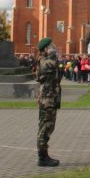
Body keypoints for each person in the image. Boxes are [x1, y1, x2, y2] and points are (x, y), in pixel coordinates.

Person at [36, 37, 62, 167]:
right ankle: (42, 157)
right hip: (47, 100)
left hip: (51, 99)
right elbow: (52, 66)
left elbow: (58, 74)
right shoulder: (44, 61)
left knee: (49, 127)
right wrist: (52, 55)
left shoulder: (48, 60)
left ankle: (44, 154)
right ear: (45, 49)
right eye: (51, 46)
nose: (54, 47)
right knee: (45, 128)